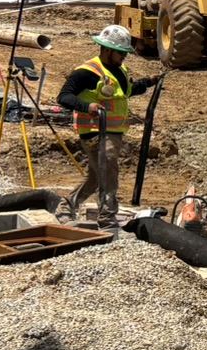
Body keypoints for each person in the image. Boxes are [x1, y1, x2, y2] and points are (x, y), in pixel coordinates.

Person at [59, 24, 157, 223]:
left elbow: (126, 91)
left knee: (96, 177)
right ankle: (107, 215)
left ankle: (66, 207)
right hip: (95, 131)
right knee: (109, 169)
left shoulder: (119, 70)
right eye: (120, 52)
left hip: (113, 130)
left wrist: (148, 82)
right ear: (107, 49)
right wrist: (88, 107)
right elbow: (63, 97)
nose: (124, 56)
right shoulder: (87, 72)